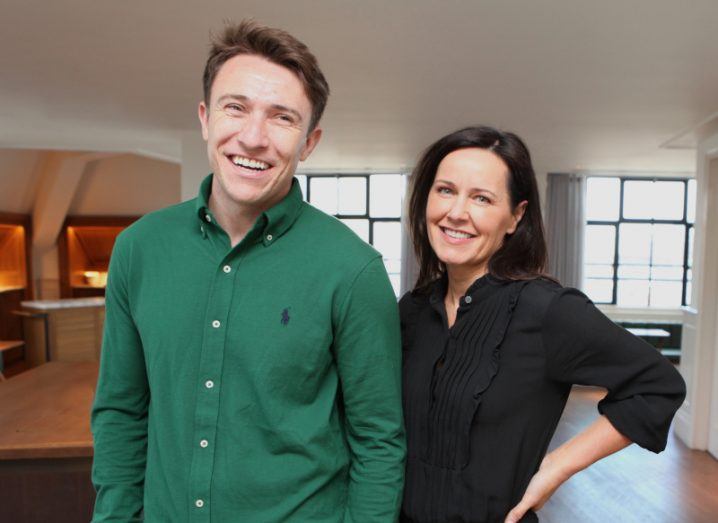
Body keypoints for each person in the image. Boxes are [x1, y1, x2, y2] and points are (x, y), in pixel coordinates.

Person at [91, 20, 405, 522]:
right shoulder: (138, 250)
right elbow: (121, 413)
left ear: (309, 141)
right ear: (204, 119)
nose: (253, 137)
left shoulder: (353, 270)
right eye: (235, 107)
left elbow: (378, 441)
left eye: (282, 118)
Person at [399, 126, 686, 523]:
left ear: (515, 216)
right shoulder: (411, 312)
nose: (456, 212)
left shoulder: (547, 310)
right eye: (445, 190)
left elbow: (658, 385)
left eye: (482, 198)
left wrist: (557, 466)